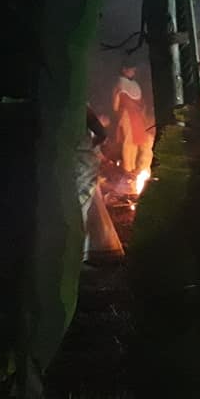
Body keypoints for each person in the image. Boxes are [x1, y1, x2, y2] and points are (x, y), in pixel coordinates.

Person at [76, 106, 123, 263]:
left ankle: (80, 252)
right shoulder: (82, 108)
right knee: (86, 208)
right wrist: (89, 146)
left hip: (73, 164)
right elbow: (101, 134)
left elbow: (101, 134)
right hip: (84, 164)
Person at [112, 62, 152, 177]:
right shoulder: (119, 83)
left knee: (138, 141)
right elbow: (115, 106)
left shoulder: (134, 84)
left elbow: (141, 101)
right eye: (131, 70)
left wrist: (142, 112)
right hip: (127, 115)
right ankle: (128, 168)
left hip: (138, 116)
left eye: (134, 70)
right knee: (129, 141)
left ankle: (135, 168)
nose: (133, 72)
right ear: (124, 70)